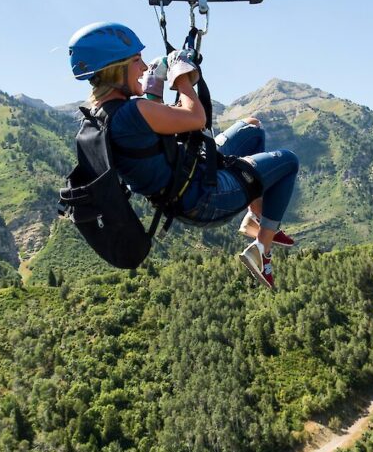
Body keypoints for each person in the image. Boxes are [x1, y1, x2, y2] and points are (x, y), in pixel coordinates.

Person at [68, 21, 299, 289]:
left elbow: (153, 122)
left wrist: (156, 79)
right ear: (116, 69)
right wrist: (181, 77)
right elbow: (196, 117)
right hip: (205, 197)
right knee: (288, 161)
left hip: (186, 177)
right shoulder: (132, 112)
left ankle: (255, 218)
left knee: (252, 128)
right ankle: (262, 249)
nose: (143, 68)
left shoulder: (106, 115)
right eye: (137, 60)